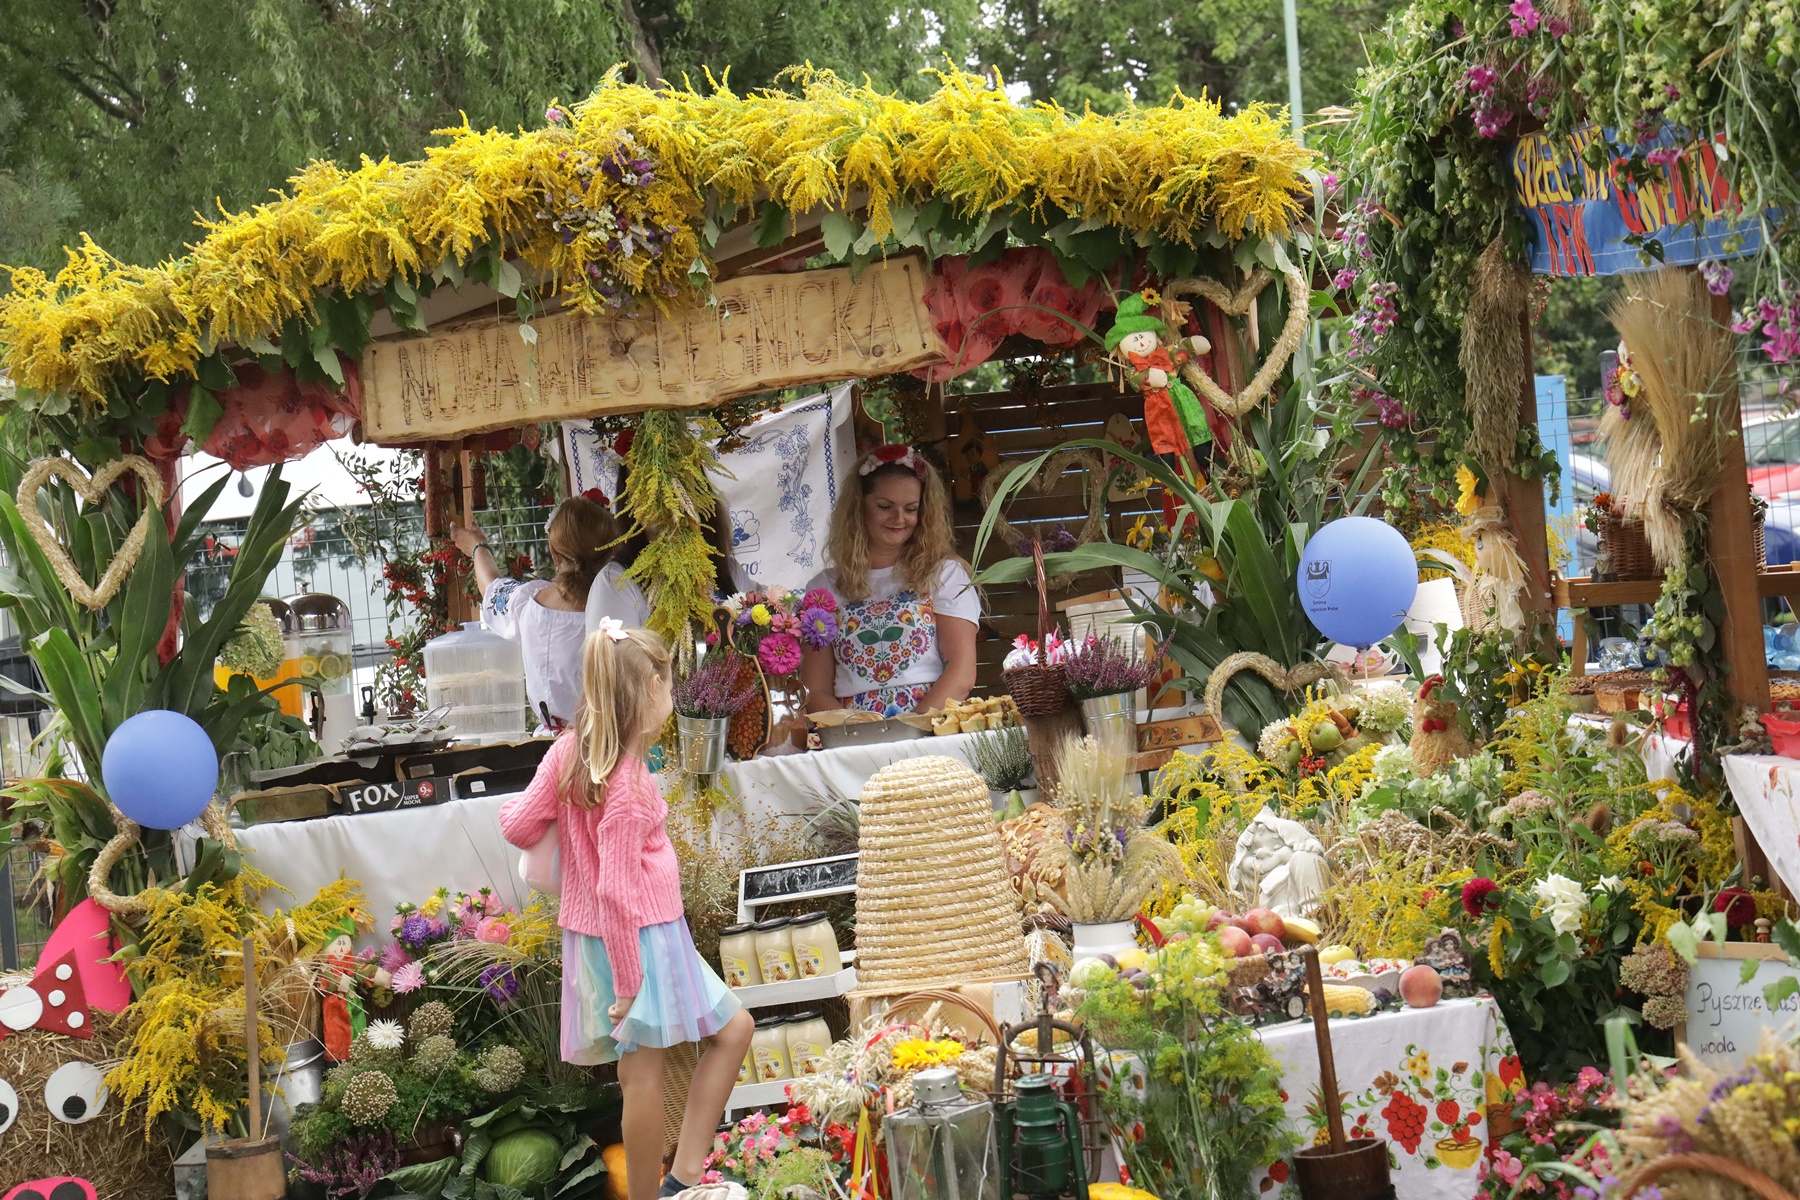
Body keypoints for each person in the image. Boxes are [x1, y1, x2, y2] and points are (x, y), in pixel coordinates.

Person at [499, 621, 752, 1200]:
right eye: (665, 681)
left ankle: (682, 1176)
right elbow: (617, 890)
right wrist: (631, 987)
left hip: (607, 937)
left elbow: (517, 824)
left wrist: (559, 825)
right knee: (644, 1073)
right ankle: (660, 1189)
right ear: (645, 693)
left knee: (728, 1031)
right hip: (638, 940)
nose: (672, 693)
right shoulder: (630, 784)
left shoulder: (568, 753)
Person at [800, 445, 981, 716]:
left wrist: (911, 729)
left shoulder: (945, 574)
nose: (899, 519)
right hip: (854, 738)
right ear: (858, 508)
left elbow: (962, 673)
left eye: (910, 509)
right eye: (885, 506)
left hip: (930, 725)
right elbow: (815, 691)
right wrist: (859, 733)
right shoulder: (822, 589)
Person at [452, 494, 649, 730]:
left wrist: (477, 547)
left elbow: (491, 586)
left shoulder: (530, 604)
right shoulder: (626, 602)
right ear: (612, 548)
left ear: (554, 552)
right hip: (610, 744)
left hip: (550, 747)